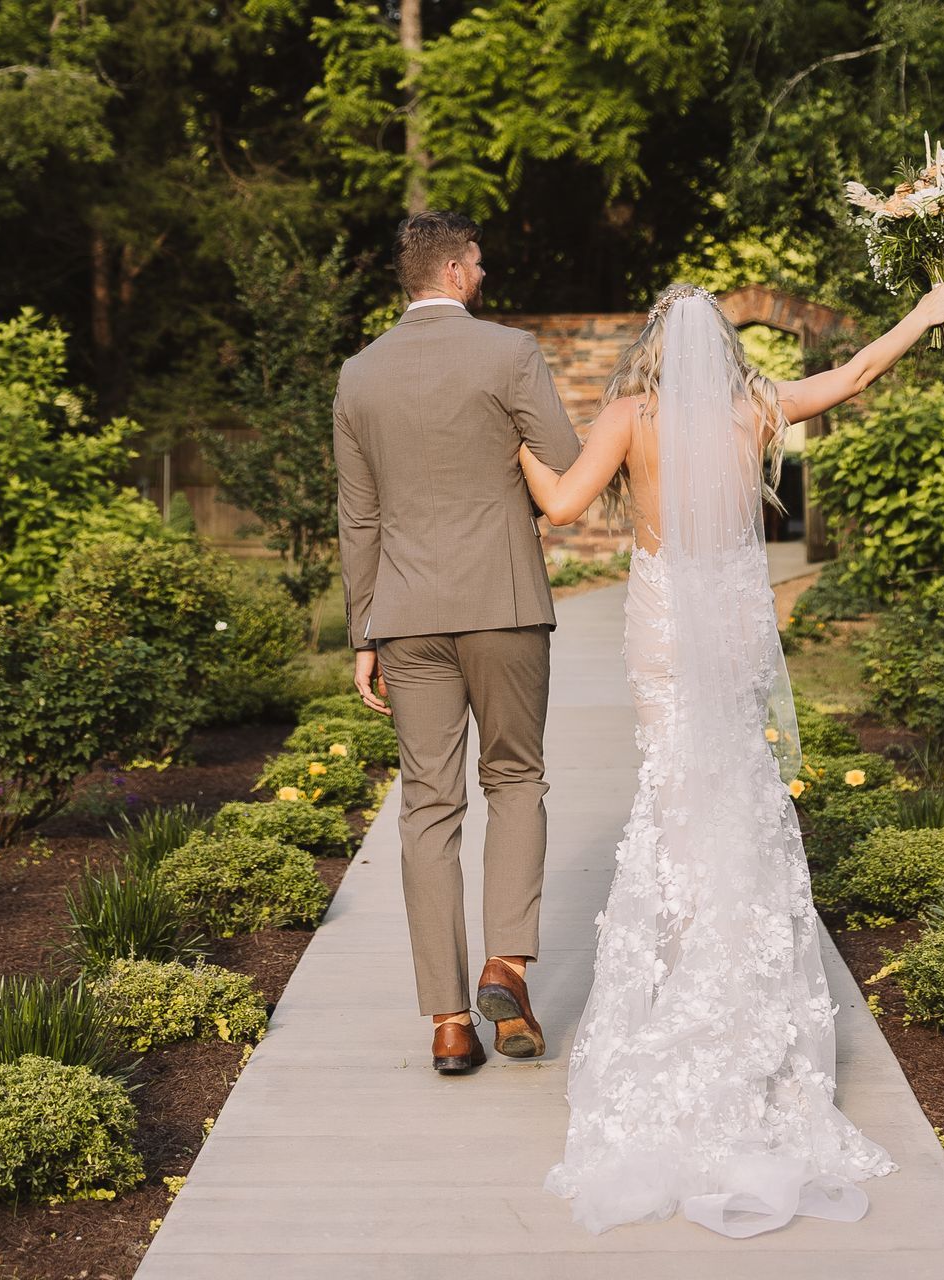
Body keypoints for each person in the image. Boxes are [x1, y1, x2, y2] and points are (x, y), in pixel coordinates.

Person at [518, 276, 944, 1236]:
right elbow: (854, 374)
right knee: (738, 789)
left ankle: (689, 974)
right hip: (734, 619)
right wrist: (925, 315)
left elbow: (559, 505)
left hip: (664, 624)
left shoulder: (631, 415)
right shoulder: (755, 407)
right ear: (724, 344)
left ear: (652, 346)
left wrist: (509, 435)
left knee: (675, 793)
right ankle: (741, 983)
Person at [332, 210, 583, 1075]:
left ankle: (447, 1022)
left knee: (427, 805)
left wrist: (364, 632)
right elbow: (563, 454)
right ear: (451, 271)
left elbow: (358, 515)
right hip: (503, 603)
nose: (482, 272)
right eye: (476, 262)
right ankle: (505, 967)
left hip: (404, 612)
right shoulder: (509, 353)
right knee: (514, 777)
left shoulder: (359, 375)